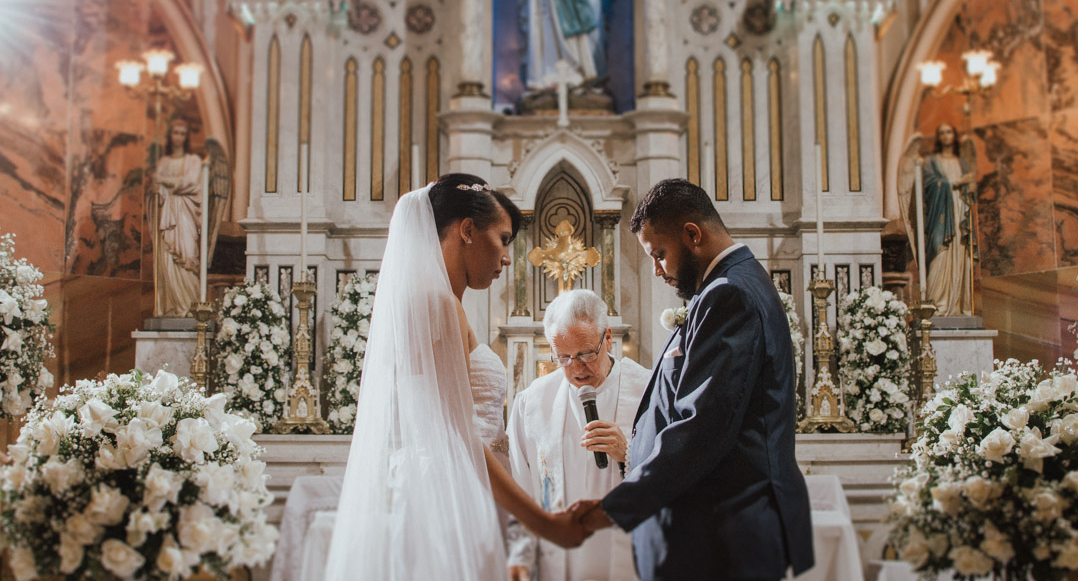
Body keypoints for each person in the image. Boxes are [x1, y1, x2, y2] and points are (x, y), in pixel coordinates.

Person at [325, 174, 587, 580]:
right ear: (467, 230)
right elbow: (460, 433)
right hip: (449, 494)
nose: (506, 258)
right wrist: (542, 522)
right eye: (502, 239)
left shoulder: (439, 302)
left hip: (463, 486)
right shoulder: (436, 304)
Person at [573, 179, 814, 581]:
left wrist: (611, 509)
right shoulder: (726, 288)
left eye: (659, 254)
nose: (656, 271)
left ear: (692, 234)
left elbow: (702, 426)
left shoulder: (730, 294)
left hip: (721, 539)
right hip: (712, 535)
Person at [507, 289, 648, 581]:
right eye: (563, 358)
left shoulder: (648, 390)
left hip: (629, 558)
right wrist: (519, 558)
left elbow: (678, 471)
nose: (576, 369)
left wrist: (630, 452)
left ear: (607, 338)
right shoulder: (532, 403)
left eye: (585, 354)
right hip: (558, 564)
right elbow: (520, 488)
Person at [148, 117, 202, 317]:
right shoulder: (164, 162)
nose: (178, 137)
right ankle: (171, 306)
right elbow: (157, 192)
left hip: (185, 216)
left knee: (186, 256)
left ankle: (190, 306)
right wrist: (157, 189)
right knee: (168, 260)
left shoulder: (193, 161)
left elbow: (191, 184)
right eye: (175, 132)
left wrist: (163, 181)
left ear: (186, 137)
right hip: (167, 217)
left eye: (182, 133)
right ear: (170, 136)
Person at [922, 122, 973, 316]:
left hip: (959, 215)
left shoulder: (961, 163)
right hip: (941, 218)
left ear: (954, 135)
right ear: (938, 137)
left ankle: (960, 305)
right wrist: (956, 182)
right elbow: (929, 186)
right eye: (941, 132)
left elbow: (969, 193)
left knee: (960, 257)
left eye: (949, 132)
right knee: (939, 255)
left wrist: (970, 189)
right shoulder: (931, 162)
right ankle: (938, 303)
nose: (945, 136)